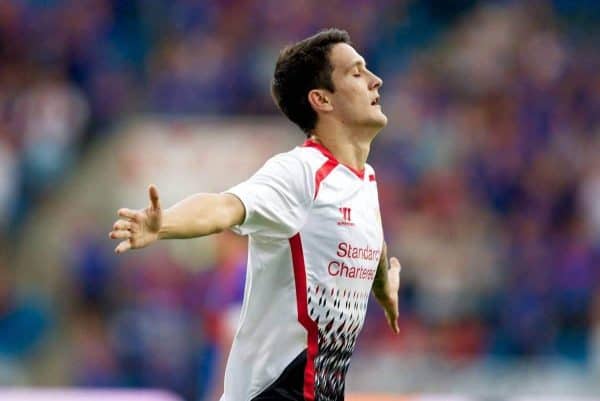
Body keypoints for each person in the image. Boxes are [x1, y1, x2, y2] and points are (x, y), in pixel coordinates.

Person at [109, 28, 401, 401]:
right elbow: (225, 207)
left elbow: (368, 238)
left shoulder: (365, 180)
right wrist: (163, 224)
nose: (375, 80)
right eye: (356, 73)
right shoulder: (300, 173)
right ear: (321, 99)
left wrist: (383, 288)